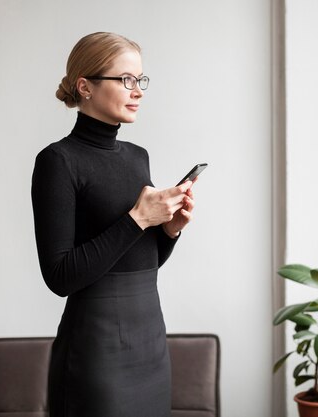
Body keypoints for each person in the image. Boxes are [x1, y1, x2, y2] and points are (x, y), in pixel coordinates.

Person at [31, 32, 195, 417]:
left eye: (140, 80)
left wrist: (169, 231)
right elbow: (59, 277)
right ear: (84, 86)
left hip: (151, 341)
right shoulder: (58, 161)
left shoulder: (138, 157)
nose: (137, 91)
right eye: (125, 79)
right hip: (96, 352)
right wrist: (138, 218)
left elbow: (139, 262)